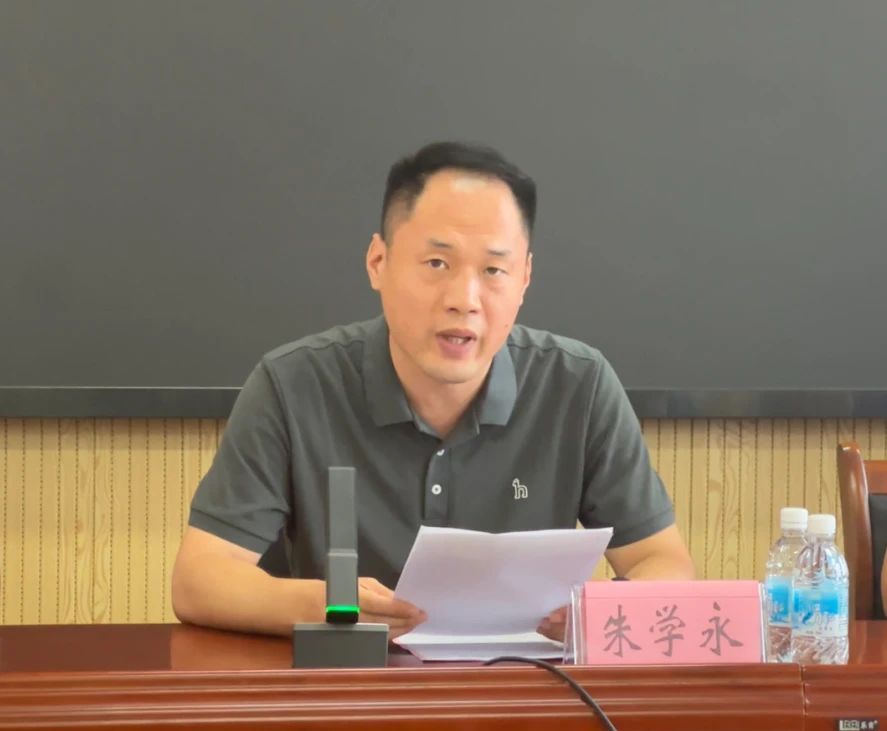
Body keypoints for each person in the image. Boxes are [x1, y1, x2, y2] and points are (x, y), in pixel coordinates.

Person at [171, 141, 695, 641]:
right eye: (437, 264)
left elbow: (663, 562)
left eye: (493, 270)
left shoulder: (578, 384)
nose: (464, 299)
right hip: (347, 683)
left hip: (524, 685)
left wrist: (596, 612)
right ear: (378, 263)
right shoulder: (293, 385)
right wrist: (332, 605)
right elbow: (200, 580)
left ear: (525, 279)